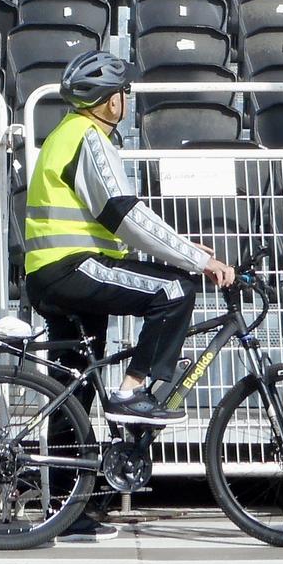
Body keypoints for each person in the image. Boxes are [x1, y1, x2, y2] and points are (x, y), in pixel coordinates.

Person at [23, 48, 237, 423]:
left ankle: (61, 479)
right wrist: (196, 259)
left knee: (74, 392)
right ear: (108, 102)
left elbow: (117, 221)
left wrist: (184, 248)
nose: (127, 97)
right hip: (71, 268)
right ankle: (132, 391)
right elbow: (127, 217)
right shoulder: (88, 138)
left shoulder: (66, 134)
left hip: (55, 272)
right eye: (124, 91)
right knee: (174, 290)